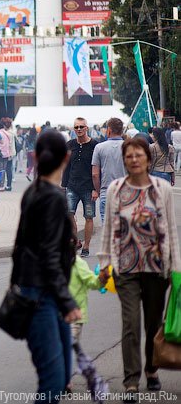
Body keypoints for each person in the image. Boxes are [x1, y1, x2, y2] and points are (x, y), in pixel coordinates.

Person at [98, 136, 180, 396]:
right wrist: (104, 263)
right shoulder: (115, 189)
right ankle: (131, 380)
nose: (134, 160)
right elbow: (108, 227)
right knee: (131, 324)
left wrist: (176, 267)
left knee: (153, 324)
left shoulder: (161, 189)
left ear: (148, 158)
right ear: (124, 159)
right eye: (129, 156)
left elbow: (171, 229)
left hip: (158, 269)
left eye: (139, 155)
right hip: (126, 269)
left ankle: (151, 369)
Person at [10, 129, 82, 402]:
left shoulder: (35, 191)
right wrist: (67, 302)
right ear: (66, 157)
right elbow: (48, 254)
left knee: (61, 376)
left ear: (36, 156)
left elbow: (20, 246)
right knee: (52, 383)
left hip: (40, 293)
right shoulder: (52, 196)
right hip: (43, 296)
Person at [69, 254, 108, 399]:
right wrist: (102, 280)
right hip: (74, 315)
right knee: (67, 347)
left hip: (65, 315)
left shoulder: (53, 260)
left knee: (62, 347)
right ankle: (64, 380)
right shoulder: (77, 262)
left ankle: (64, 379)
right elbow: (93, 282)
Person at [62, 117, 98, 258]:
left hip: (88, 189)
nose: (79, 129)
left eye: (81, 127)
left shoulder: (95, 145)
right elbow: (66, 166)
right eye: (76, 127)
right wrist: (63, 186)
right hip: (72, 186)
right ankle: (76, 241)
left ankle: (87, 247)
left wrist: (96, 188)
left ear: (86, 128)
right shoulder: (69, 145)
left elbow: (97, 169)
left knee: (89, 217)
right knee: (69, 214)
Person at [92, 117, 126, 225]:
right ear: (122, 130)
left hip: (106, 192)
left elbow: (95, 174)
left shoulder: (99, 147)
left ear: (109, 130)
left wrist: (98, 190)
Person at [0, 118, 17, 191]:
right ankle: (9, 185)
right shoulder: (12, 133)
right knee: (9, 169)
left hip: (7, 153)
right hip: (12, 152)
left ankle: (3, 184)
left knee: (4, 169)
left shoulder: (5, 133)